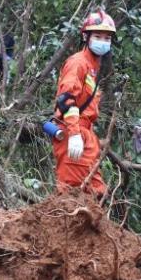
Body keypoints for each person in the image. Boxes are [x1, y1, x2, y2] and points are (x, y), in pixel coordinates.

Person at [49, 10, 115, 196]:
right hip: (73, 131)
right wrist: (76, 135)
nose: (103, 41)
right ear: (86, 37)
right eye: (98, 36)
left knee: (96, 192)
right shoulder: (78, 63)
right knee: (71, 192)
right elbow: (66, 99)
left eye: (107, 38)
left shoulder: (93, 66)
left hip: (86, 133)